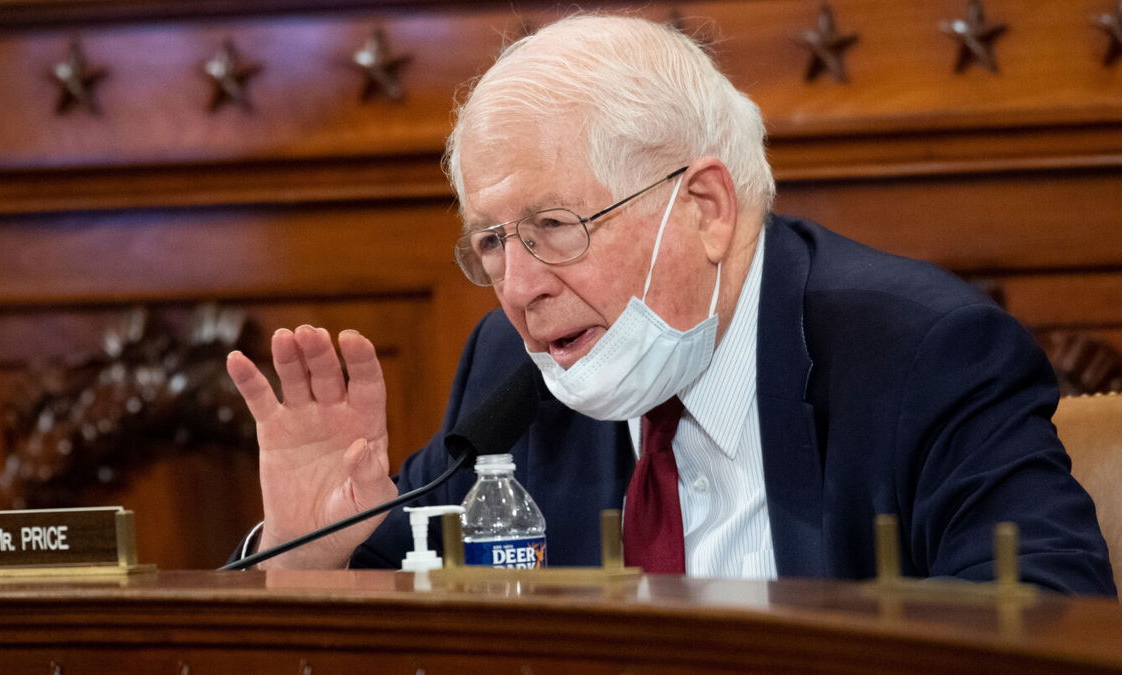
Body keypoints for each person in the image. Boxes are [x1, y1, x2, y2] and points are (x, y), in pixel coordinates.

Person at [225, 14, 1116, 594]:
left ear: (705, 210)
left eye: (554, 225)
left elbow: (1048, 614)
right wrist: (311, 549)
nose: (521, 285)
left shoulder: (923, 356)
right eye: (492, 241)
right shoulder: (516, 373)